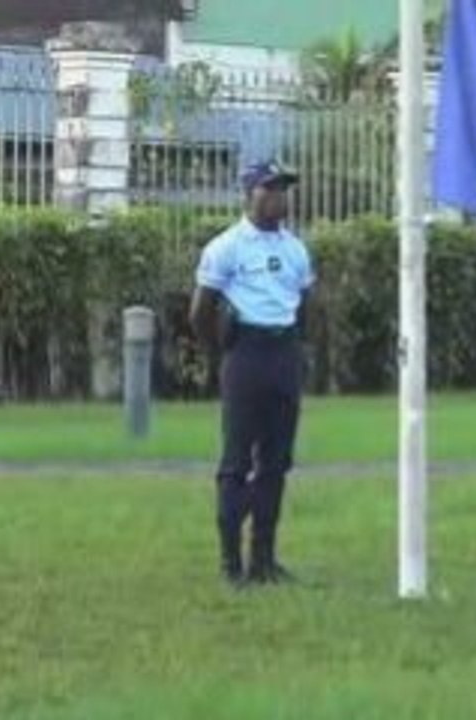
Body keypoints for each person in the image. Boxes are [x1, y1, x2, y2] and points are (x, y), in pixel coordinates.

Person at [189, 159, 314, 587]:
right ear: (250, 195)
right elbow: (200, 311)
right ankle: (231, 564)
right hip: (246, 353)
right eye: (271, 189)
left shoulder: (295, 249)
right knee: (237, 461)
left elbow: (304, 304)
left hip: (283, 354)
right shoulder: (227, 247)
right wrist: (221, 352)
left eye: (284, 189)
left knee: (276, 461)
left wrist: (296, 349)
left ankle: (264, 559)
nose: (280, 198)